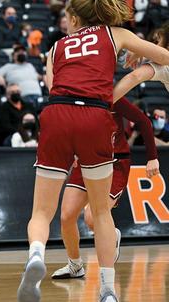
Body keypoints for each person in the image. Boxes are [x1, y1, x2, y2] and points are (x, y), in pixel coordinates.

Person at [17, 1, 169, 301]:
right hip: (95, 115)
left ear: (74, 18)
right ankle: (108, 290)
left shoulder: (56, 47)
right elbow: (164, 56)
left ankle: (36, 255)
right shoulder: (116, 33)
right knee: (100, 213)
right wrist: (138, 48)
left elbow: (52, 86)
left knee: (41, 212)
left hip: (58, 113)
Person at [51, 96, 159, 280]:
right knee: (66, 215)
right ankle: (75, 265)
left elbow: (143, 121)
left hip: (114, 162)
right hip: (86, 160)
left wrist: (152, 157)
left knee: (92, 218)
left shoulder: (111, 95)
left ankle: (111, 237)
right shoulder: (74, 97)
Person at [113, 22, 169, 100]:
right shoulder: (163, 67)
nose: (155, 46)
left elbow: (135, 76)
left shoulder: (165, 68)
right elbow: (135, 76)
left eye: (157, 41)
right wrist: (142, 51)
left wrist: (105, 105)